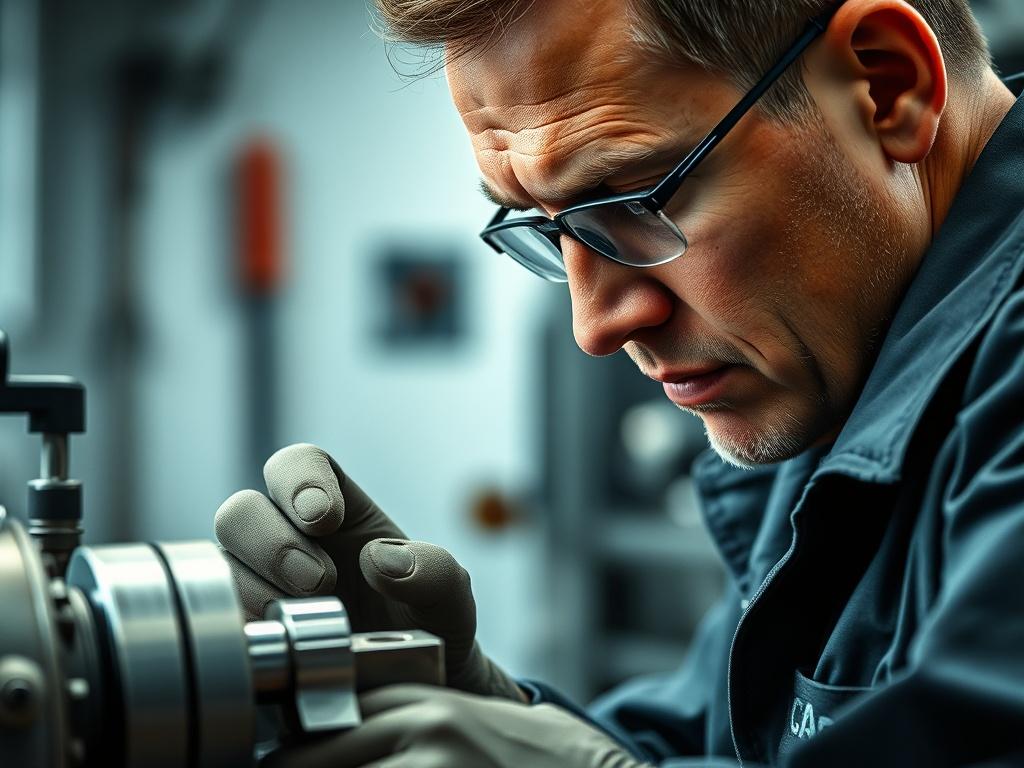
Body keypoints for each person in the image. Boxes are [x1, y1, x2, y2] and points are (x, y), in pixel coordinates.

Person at [213, 0, 1024, 765]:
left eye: (634, 201)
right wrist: (461, 699)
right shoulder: (844, 382)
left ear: (888, 87)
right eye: (546, 229)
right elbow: (725, 741)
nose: (597, 327)